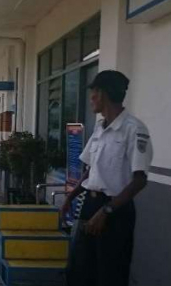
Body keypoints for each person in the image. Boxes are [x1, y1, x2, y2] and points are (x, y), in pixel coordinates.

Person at [62, 70, 153, 286]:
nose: (91, 99)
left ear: (101, 94)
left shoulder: (134, 129)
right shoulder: (100, 128)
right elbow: (90, 171)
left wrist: (106, 211)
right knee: (79, 272)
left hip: (115, 211)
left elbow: (139, 180)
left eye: (93, 93)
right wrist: (70, 197)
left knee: (110, 274)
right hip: (91, 205)